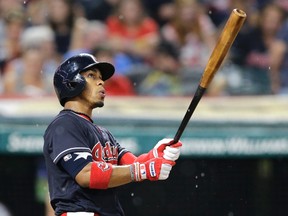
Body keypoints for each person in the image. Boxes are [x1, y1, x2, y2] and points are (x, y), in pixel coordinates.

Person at [43, 53, 182, 216]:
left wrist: (155, 156)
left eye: (100, 77)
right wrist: (143, 169)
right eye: (91, 76)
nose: (101, 82)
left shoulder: (103, 132)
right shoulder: (65, 123)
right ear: (71, 83)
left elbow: (132, 164)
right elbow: (86, 174)